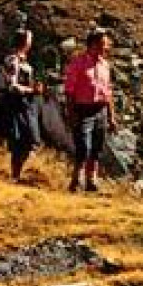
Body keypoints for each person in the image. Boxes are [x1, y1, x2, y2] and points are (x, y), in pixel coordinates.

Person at [62, 28, 118, 192]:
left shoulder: (105, 65)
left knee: (97, 147)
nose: (106, 47)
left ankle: (91, 181)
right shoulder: (78, 63)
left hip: (100, 109)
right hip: (83, 109)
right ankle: (76, 180)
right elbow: (69, 91)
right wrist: (71, 113)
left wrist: (111, 117)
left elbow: (108, 92)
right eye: (103, 44)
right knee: (83, 147)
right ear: (93, 44)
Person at [0, 30, 42, 182]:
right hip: (16, 103)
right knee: (19, 139)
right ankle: (15, 173)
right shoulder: (13, 60)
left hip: (26, 103)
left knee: (29, 139)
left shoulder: (23, 60)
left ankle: (17, 172)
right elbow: (12, 86)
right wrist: (31, 90)